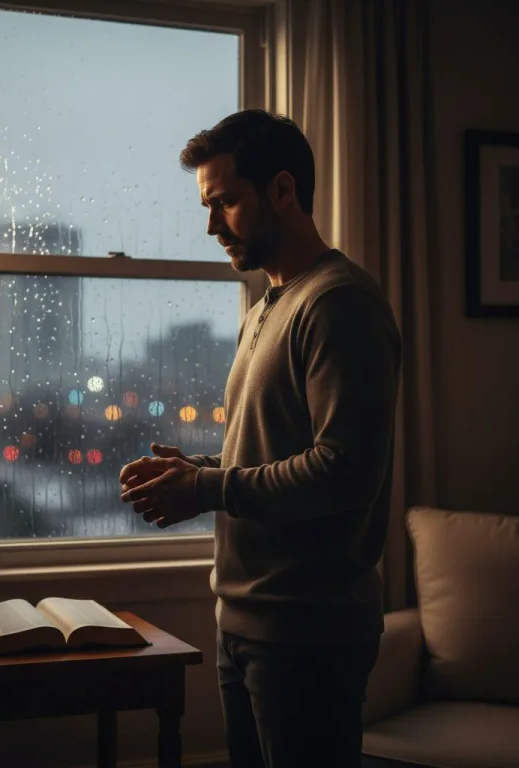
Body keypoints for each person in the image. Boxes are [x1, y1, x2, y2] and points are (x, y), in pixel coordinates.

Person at [119, 109, 401, 768]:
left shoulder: (339, 303)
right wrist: (194, 470)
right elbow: (275, 451)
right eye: (207, 207)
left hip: (308, 632)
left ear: (282, 190)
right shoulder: (264, 309)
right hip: (245, 622)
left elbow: (345, 470)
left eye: (225, 203)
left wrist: (207, 488)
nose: (212, 226)